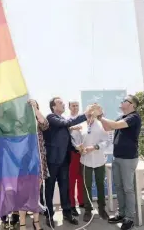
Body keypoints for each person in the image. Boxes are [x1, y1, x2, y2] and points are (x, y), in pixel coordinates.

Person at [43, 97, 94, 228]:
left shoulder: (63, 121)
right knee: (49, 189)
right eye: (60, 103)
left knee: (65, 188)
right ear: (54, 107)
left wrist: (75, 148)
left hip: (65, 161)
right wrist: (86, 114)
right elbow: (66, 123)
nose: (63, 104)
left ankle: (67, 213)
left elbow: (66, 141)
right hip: (53, 161)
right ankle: (49, 216)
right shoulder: (51, 117)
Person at [95, 95, 141, 230]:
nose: (121, 102)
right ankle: (121, 214)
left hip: (128, 158)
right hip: (117, 157)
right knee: (119, 187)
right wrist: (100, 116)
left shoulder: (134, 117)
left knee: (128, 188)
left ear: (132, 105)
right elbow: (109, 128)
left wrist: (100, 116)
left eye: (124, 100)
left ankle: (129, 218)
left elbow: (114, 125)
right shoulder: (121, 117)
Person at [70, 112, 110, 222]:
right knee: (86, 186)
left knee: (100, 185)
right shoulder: (80, 125)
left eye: (92, 114)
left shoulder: (101, 125)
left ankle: (102, 209)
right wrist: (78, 147)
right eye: (88, 114)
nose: (90, 116)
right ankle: (88, 210)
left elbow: (107, 141)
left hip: (99, 160)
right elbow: (74, 139)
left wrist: (95, 147)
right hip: (85, 160)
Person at [19, 99, 48, 230]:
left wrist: (35, 108)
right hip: (23, 163)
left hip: (38, 162)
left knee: (36, 193)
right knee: (23, 195)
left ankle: (36, 222)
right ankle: (23, 223)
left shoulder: (38, 121)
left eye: (34, 105)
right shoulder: (19, 123)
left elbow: (45, 124)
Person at [67, 101, 84, 216]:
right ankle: (72, 205)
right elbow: (66, 136)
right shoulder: (67, 120)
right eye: (73, 105)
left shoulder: (84, 119)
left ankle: (82, 202)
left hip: (84, 153)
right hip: (73, 153)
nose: (75, 107)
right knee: (72, 179)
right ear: (69, 107)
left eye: (77, 105)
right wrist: (72, 128)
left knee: (82, 179)